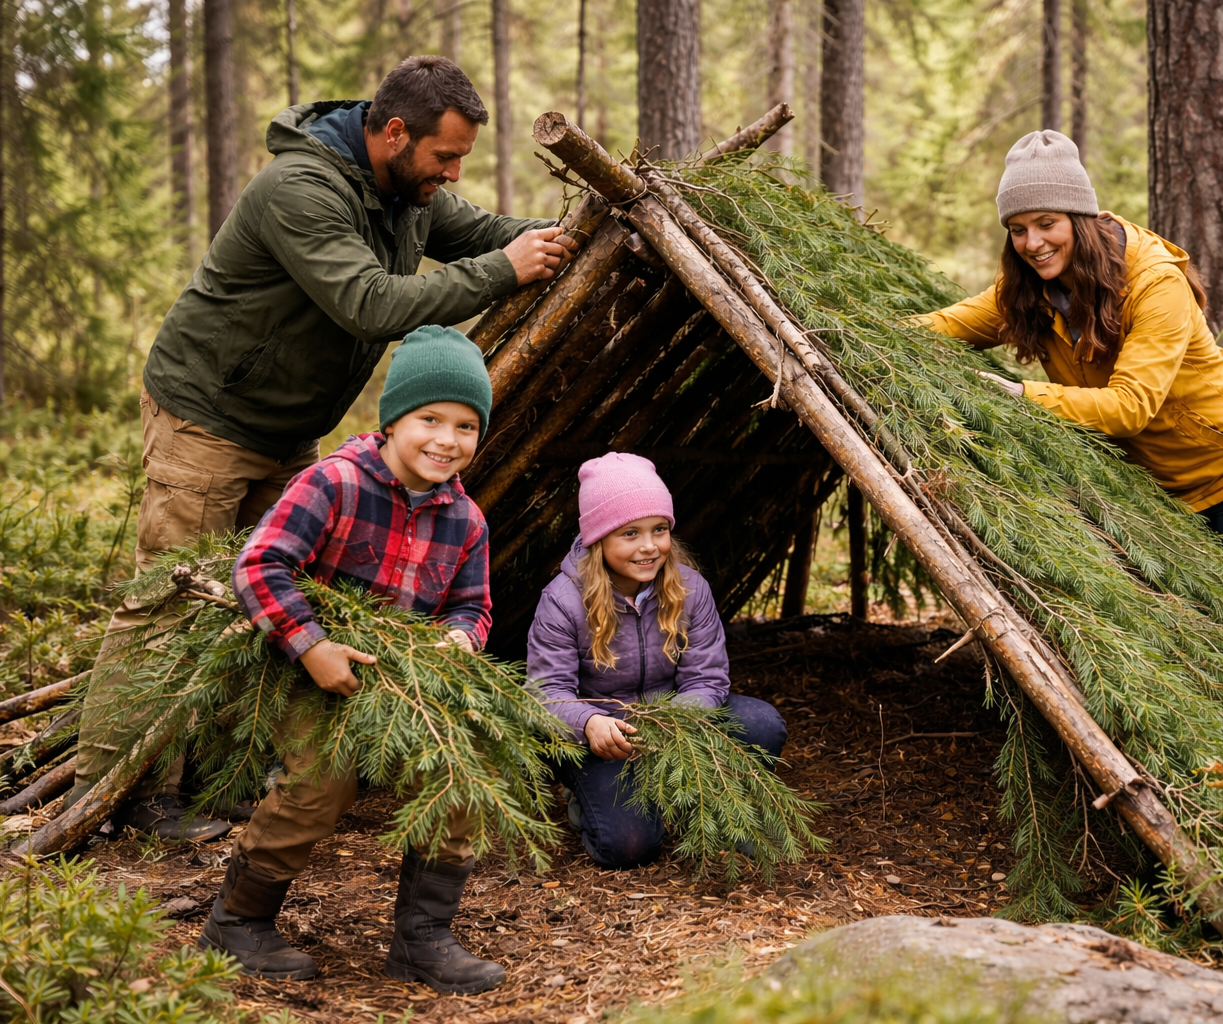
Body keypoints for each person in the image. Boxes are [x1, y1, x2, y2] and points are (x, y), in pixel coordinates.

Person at [66, 54, 577, 837]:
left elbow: (487, 233)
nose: (452, 173)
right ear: (395, 133)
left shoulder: (406, 194)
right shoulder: (300, 189)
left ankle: (221, 775)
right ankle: (120, 793)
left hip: (288, 425)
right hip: (209, 413)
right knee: (170, 602)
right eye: (445, 156)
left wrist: (561, 237)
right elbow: (368, 302)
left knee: (277, 596)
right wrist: (503, 271)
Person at [198, 326, 505, 994]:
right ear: (392, 420)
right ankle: (239, 920)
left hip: (399, 686)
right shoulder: (333, 482)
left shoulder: (467, 519)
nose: (447, 440)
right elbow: (260, 565)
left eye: (466, 426)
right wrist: (312, 645)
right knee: (321, 783)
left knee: (458, 776)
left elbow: (472, 605)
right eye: (430, 419)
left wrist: (459, 639)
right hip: (307, 673)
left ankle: (423, 939)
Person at [914, 130, 1223, 577]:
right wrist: (866, 328)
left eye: (1046, 223)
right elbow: (947, 326)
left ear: (1080, 217)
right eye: (1018, 230)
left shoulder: (1154, 283)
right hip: (1156, 488)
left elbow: (1130, 407)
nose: (1032, 243)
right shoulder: (1026, 289)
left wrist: (1023, 395)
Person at [524, 453, 787, 870]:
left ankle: (704, 803)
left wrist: (672, 722)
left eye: (659, 529)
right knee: (629, 847)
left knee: (762, 724)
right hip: (606, 738)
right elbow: (546, 693)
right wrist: (590, 723)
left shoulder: (689, 588)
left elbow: (707, 678)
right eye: (630, 533)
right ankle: (587, 799)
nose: (649, 546)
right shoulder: (563, 601)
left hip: (674, 724)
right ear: (598, 538)